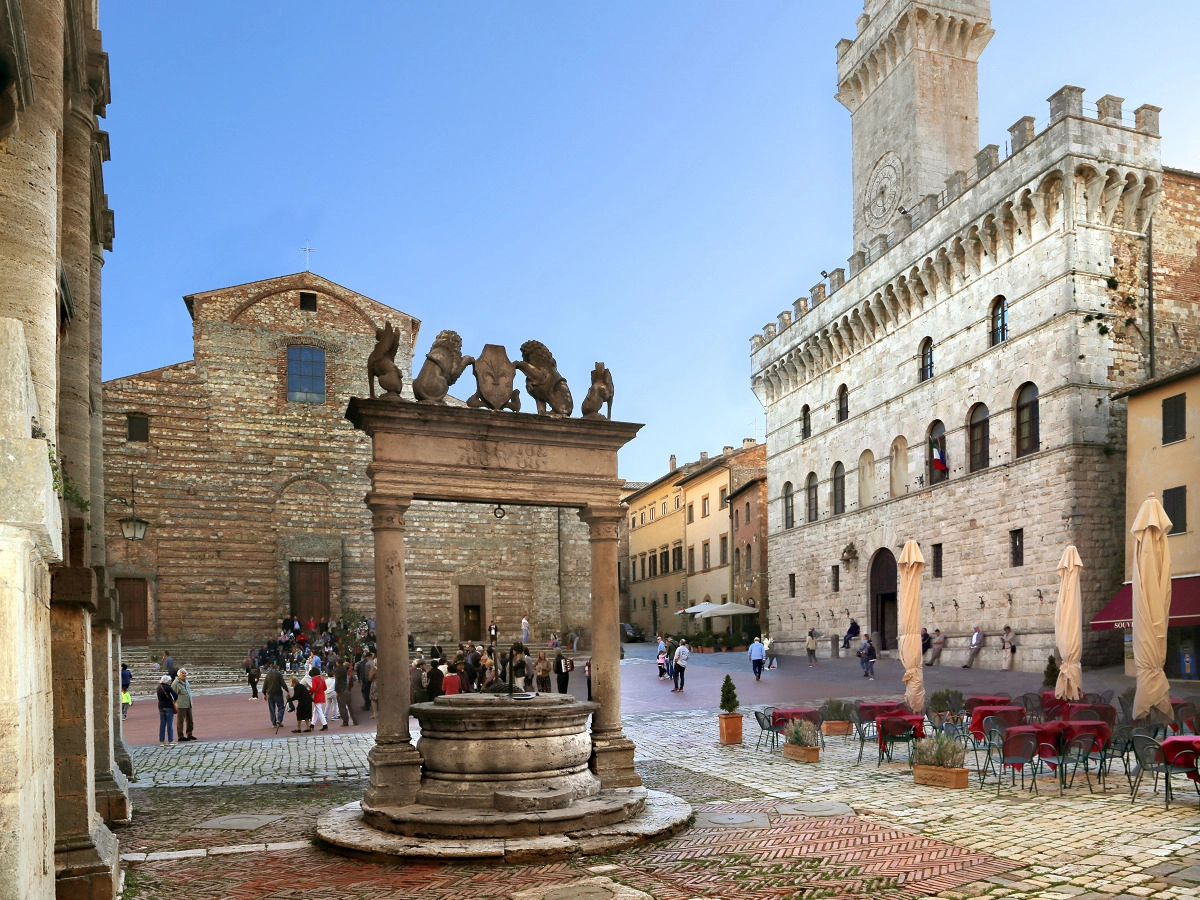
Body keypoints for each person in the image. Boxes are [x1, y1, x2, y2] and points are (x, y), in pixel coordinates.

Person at [262, 661, 288, 728]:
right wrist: (287, 690)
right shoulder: (278, 674)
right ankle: (279, 719)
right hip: (278, 693)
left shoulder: (268, 674)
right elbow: (283, 683)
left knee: (272, 709)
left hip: (270, 693)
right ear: (276, 666)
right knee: (281, 707)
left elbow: (265, 685)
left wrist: (264, 693)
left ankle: (274, 723)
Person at [172, 668, 195, 741]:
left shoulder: (187, 682)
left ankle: (189, 734)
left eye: (185, 673)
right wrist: (174, 704)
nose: (184, 675)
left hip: (188, 704)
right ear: (179, 675)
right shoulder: (175, 683)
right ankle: (180, 736)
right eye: (183, 673)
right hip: (181, 705)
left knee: (190, 721)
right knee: (180, 721)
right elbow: (173, 694)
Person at [156, 675, 177, 744]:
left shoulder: (158, 687)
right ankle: (170, 740)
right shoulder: (168, 688)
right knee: (169, 724)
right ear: (167, 681)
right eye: (170, 680)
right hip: (168, 706)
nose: (170, 682)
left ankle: (161, 741)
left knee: (162, 723)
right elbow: (175, 696)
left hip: (161, 706)